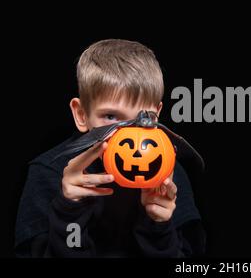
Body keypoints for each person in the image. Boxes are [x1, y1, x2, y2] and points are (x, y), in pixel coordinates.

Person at [15, 39, 206, 257]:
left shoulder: (167, 175)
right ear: (81, 114)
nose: (129, 133)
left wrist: (158, 226)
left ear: (157, 115)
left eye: (143, 118)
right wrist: (69, 212)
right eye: (111, 116)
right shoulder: (49, 172)